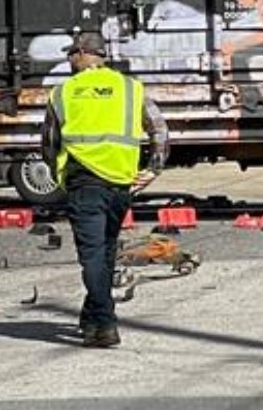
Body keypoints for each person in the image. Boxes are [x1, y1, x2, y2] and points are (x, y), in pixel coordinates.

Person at [40, 31, 170, 348]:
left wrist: (61, 175)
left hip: (84, 183)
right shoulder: (129, 88)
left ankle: (106, 320)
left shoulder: (63, 92)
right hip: (121, 184)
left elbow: (48, 143)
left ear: (84, 54)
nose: (69, 59)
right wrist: (153, 169)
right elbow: (160, 129)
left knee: (93, 257)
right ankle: (91, 318)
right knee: (106, 251)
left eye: (72, 53)